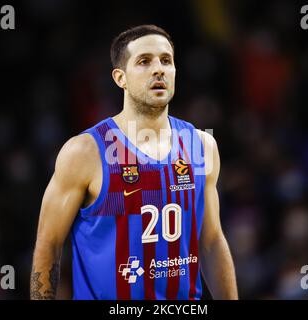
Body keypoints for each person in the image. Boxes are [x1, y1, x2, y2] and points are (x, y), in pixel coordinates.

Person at [30, 24, 238, 300]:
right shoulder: (85, 151)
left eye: (166, 61)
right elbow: (49, 245)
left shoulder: (202, 145)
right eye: (144, 61)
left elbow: (210, 241)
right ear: (120, 78)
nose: (159, 69)